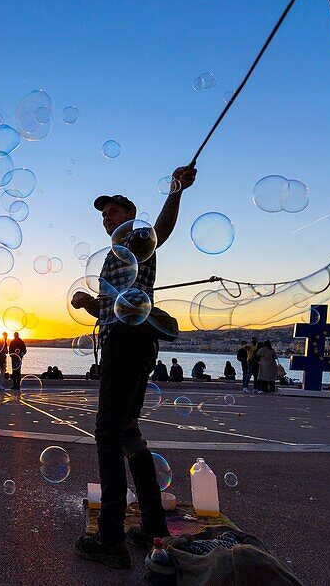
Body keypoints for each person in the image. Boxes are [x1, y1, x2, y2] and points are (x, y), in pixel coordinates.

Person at [71, 164, 196, 569]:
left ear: (130, 214)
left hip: (127, 342)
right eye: (104, 214)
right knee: (126, 431)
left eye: (113, 211)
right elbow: (113, 304)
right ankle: (153, 527)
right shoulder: (115, 258)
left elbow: (163, 227)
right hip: (131, 342)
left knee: (107, 431)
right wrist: (89, 302)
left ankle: (110, 539)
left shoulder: (139, 239)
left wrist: (176, 190)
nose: (107, 217)